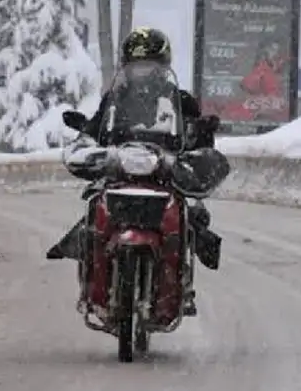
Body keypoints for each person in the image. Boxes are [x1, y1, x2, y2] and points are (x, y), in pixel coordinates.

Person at [45, 26, 227, 316]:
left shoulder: (180, 101)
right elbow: (96, 129)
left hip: (163, 173)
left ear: (163, 66)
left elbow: (196, 135)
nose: (143, 73)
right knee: (92, 208)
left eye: (150, 66)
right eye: (137, 66)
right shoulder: (115, 98)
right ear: (126, 67)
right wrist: (87, 137)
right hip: (120, 171)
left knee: (194, 216)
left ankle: (183, 283)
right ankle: (91, 279)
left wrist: (201, 135)